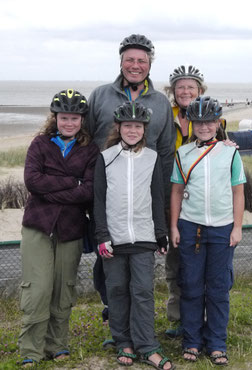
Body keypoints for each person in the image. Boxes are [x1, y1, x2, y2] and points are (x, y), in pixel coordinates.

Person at [85, 34, 175, 342]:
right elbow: (86, 143)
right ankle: (116, 322)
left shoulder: (161, 103)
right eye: (130, 59)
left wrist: (161, 203)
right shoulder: (100, 96)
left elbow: (165, 154)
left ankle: (137, 330)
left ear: (150, 63)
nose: (135, 65)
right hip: (106, 194)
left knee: (140, 274)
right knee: (107, 267)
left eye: (142, 60)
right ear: (121, 62)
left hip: (143, 199)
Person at [18, 89, 99, 367]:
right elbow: (33, 183)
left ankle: (57, 345)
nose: (69, 123)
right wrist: (71, 182)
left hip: (71, 228)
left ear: (81, 120)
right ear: (55, 118)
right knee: (38, 288)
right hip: (38, 226)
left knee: (63, 288)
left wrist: (55, 185)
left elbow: (88, 191)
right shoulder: (40, 144)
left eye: (74, 118)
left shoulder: (90, 150)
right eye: (64, 117)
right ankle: (31, 349)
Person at [93, 101, 175, 369]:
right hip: (113, 239)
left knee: (142, 291)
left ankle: (147, 345)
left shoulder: (152, 158)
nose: (132, 130)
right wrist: (102, 235)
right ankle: (123, 342)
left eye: (137, 126)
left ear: (144, 129)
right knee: (117, 291)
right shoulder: (105, 158)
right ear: (118, 127)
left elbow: (156, 197)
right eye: (127, 125)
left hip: (143, 236)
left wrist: (161, 232)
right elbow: (98, 200)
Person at [170, 96, 246, 365]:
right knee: (190, 286)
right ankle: (191, 341)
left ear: (218, 123)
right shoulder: (183, 153)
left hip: (223, 228)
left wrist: (237, 227)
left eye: (209, 122)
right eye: (199, 122)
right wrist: (174, 227)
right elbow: (177, 192)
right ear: (191, 123)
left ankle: (216, 342)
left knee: (218, 288)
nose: (204, 127)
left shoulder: (231, 152)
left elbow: (238, 192)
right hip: (191, 227)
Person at [163, 65, 231, 338]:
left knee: (211, 269)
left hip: (207, 204)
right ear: (173, 91)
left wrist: (231, 145)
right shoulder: (164, 116)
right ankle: (180, 318)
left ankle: (208, 320)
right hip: (174, 189)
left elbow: (223, 151)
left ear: (200, 91)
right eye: (181, 87)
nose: (186, 91)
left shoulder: (216, 120)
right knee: (178, 264)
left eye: (191, 87)